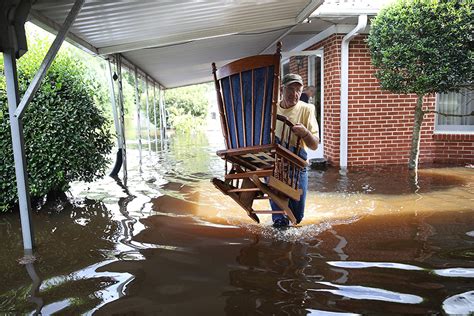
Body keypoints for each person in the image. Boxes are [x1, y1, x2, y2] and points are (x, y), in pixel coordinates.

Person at [271, 74, 319, 228]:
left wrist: (305, 133)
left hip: (297, 163)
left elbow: (314, 146)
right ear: (282, 89)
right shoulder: (271, 109)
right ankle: (277, 244)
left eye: (298, 90)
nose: (295, 94)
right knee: (280, 222)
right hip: (275, 165)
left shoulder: (307, 109)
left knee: (297, 218)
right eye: (291, 89)